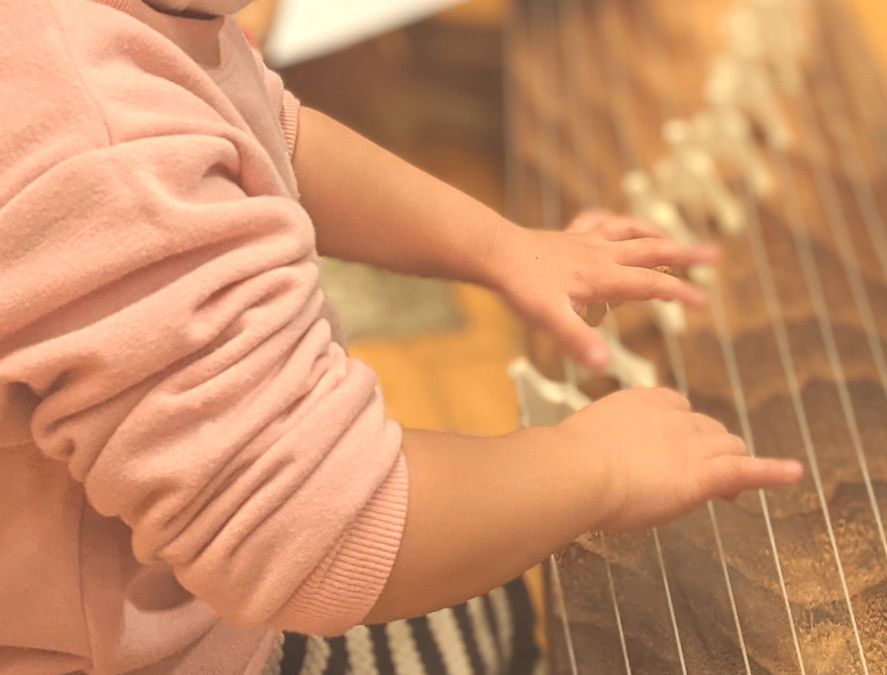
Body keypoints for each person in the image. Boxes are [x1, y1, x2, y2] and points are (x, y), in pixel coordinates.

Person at [0, 0, 805, 672]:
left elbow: (267, 132)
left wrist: (499, 246)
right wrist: (598, 466)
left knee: (489, 586)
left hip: (193, 571)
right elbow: (314, 532)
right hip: (147, 648)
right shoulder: (105, 148)